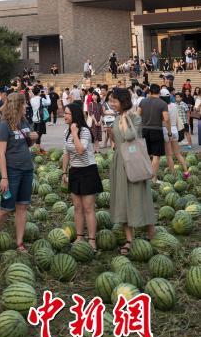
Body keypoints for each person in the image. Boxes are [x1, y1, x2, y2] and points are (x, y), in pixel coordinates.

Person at [0, 92, 38, 254]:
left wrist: (33, 137)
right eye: (24, 104)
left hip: (27, 169)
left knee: (22, 206)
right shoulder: (4, 125)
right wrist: (4, 177)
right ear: (17, 105)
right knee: (5, 208)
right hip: (12, 171)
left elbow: (28, 143)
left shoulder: (24, 121)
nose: (26, 106)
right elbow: (0, 153)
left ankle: (19, 242)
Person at [109, 87, 156, 255]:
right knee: (122, 199)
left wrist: (124, 119)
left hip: (134, 163)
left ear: (123, 101)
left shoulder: (134, 117)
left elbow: (129, 136)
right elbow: (116, 139)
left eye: (114, 101)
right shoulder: (115, 119)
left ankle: (151, 233)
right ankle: (129, 239)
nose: (111, 104)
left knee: (139, 197)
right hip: (120, 162)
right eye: (111, 101)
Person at [61, 103, 102, 253]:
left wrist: (74, 132)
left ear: (75, 115)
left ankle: (92, 240)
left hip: (88, 172)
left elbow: (79, 150)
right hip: (75, 172)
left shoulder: (84, 131)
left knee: (89, 208)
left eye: (67, 114)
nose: (64, 116)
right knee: (77, 208)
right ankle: (79, 237)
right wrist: (64, 173)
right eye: (64, 113)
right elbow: (66, 153)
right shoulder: (66, 131)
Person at [137, 84, 170, 183]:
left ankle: (144, 177)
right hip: (157, 130)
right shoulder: (163, 103)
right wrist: (169, 132)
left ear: (150, 92)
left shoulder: (143, 101)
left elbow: (137, 115)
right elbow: (167, 119)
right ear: (159, 92)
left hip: (144, 130)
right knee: (156, 156)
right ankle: (153, 179)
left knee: (146, 155)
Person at [160, 94, 189, 178]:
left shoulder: (163, 107)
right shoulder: (174, 105)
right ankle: (186, 172)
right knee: (177, 153)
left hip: (166, 130)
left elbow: (164, 120)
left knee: (169, 155)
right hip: (175, 129)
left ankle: (173, 175)